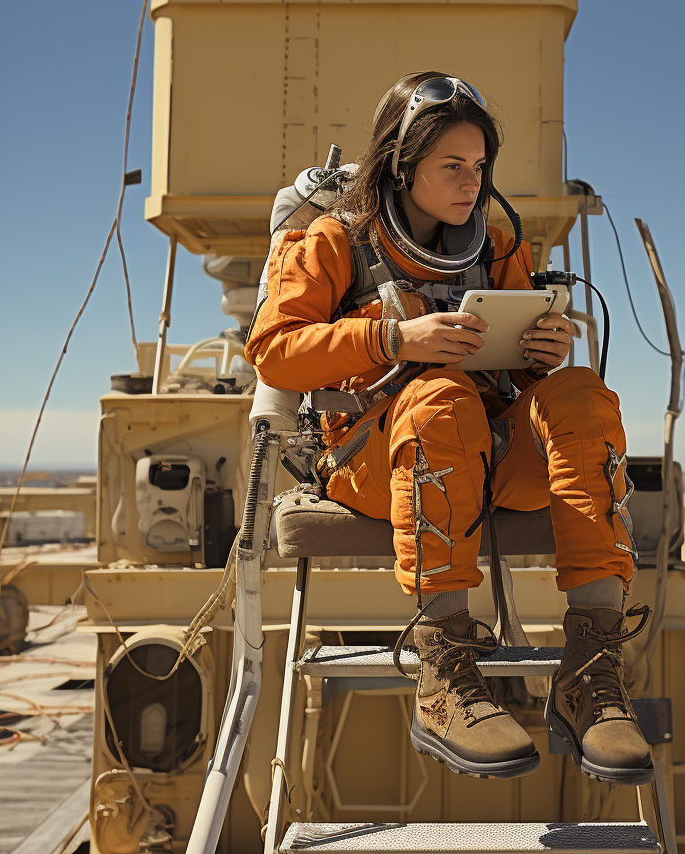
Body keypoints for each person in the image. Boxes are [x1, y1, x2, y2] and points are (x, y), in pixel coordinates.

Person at [246, 71, 652, 784]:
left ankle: (591, 672)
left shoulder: (497, 249)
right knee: (439, 398)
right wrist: (393, 341)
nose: (472, 182)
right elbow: (274, 350)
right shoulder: (333, 242)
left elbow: (529, 384)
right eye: (452, 167)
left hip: (487, 459)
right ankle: (444, 672)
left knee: (584, 395)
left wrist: (540, 356)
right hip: (375, 459)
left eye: (480, 167)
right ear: (403, 165)